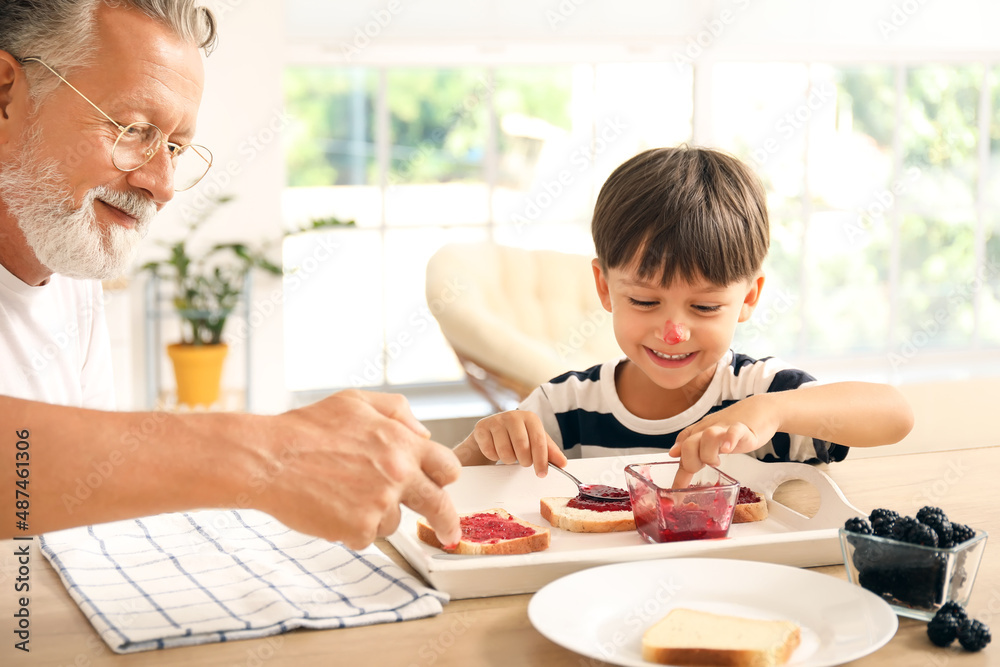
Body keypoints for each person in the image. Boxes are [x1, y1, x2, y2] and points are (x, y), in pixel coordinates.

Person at [0, 0, 461, 549]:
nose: (162, 184)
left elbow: (61, 495)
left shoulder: (69, 269)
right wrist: (272, 454)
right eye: (132, 128)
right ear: (7, 95)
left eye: (174, 147)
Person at [454, 146, 914, 487]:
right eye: (645, 302)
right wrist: (483, 443)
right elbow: (443, 485)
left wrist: (770, 412)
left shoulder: (758, 396)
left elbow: (896, 415)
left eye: (706, 307)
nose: (673, 332)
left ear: (749, 297)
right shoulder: (565, 406)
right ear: (604, 287)